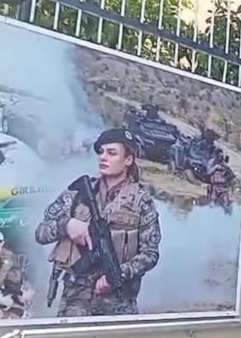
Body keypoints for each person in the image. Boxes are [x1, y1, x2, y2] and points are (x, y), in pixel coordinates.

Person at [34, 127, 162, 316]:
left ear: (128, 160)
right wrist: (66, 225)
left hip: (118, 304)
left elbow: (150, 254)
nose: (103, 157)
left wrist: (118, 274)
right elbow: (40, 233)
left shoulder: (141, 202)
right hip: (75, 303)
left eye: (112, 153)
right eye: (101, 152)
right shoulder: (78, 193)